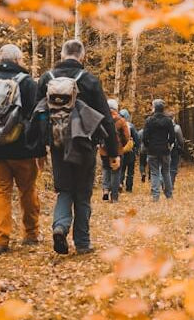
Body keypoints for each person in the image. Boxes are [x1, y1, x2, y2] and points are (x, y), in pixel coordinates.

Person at [36, 40, 119, 255]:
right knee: (82, 193)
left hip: (57, 144)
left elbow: (35, 116)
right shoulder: (89, 80)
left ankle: (60, 227)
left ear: (62, 55)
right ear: (82, 56)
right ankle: (82, 243)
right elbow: (106, 120)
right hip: (84, 146)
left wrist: (39, 150)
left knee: (64, 190)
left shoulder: (47, 79)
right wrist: (113, 152)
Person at [0, 44, 44, 255]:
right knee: (28, 190)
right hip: (23, 150)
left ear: (0, 58)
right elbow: (37, 117)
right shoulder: (28, 83)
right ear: (18, 60)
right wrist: (38, 148)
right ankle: (30, 234)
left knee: (0, 193)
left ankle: (0, 240)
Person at [142, 99, 175, 202]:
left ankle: (156, 196)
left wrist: (148, 145)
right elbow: (173, 136)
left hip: (152, 150)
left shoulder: (149, 120)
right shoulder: (168, 120)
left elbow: (144, 137)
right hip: (165, 149)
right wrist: (169, 144)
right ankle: (169, 195)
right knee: (166, 172)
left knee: (155, 173)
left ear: (154, 108)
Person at [99, 99, 131, 202]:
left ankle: (105, 189)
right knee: (115, 172)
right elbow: (127, 136)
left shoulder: (101, 118)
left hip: (104, 150)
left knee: (105, 169)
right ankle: (114, 197)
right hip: (117, 151)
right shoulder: (121, 121)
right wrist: (122, 146)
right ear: (116, 108)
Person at [119, 109, 140, 192]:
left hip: (120, 150)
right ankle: (129, 187)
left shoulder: (117, 125)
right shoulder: (131, 126)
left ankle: (120, 183)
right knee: (130, 171)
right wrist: (136, 148)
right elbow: (137, 138)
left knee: (121, 169)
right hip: (130, 151)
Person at [170, 116, 185, 189]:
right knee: (173, 167)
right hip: (174, 149)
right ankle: (171, 184)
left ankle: (164, 183)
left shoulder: (161, 127)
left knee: (164, 166)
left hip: (163, 149)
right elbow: (181, 140)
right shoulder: (177, 128)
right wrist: (181, 148)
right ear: (173, 118)